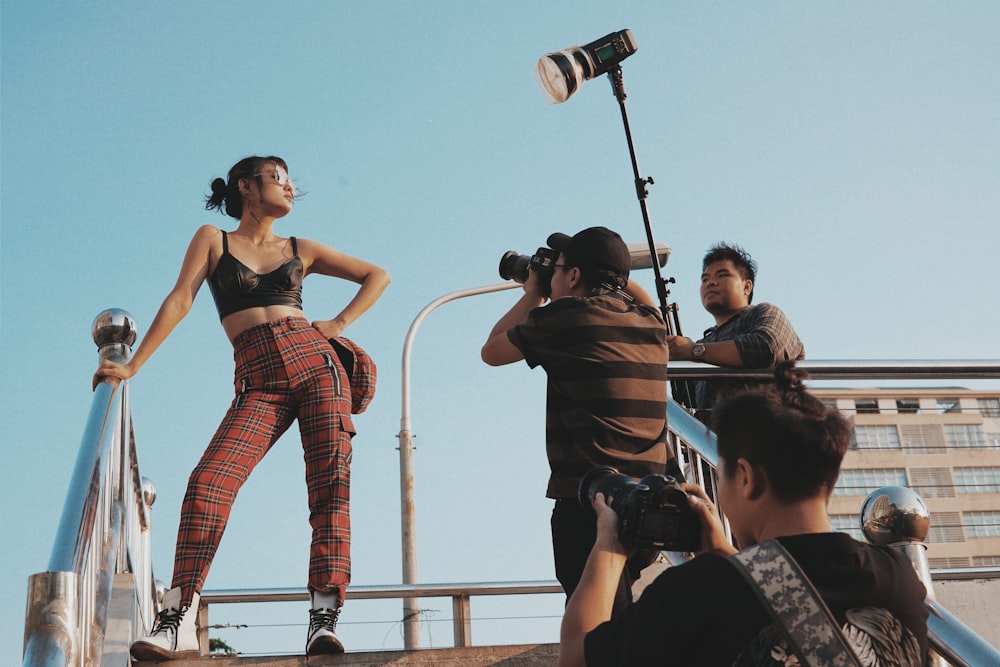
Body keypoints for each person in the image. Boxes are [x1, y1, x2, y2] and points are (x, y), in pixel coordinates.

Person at [93, 155, 390, 660]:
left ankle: (323, 617)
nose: (290, 186)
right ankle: (178, 616)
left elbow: (377, 275)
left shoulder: (301, 248)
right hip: (258, 378)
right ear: (246, 187)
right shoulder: (215, 239)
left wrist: (336, 326)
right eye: (278, 177)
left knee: (329, 487)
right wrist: (134, 366)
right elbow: (180, 299)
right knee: (208, 482)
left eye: (290, 179)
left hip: (316, 364)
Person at [559, 362, 929, 667]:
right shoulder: (899, 579)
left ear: (747, 478)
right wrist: (728, 558)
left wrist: (609, 545)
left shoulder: (696, 590)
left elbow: (576, 657)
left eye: (723, 477)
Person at [481, 226, 676, 616]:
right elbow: (643, 298)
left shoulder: (567, 317)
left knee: (595, 625)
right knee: (618, 615)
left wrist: (535, 291)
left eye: (562, 270)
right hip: (649, 501)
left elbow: (493, 350)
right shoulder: (652, 324)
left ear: (573, 276)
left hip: (589, 501)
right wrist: (595, 266)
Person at [667, 242, 804, 420]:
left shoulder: (763, 312)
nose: (710, 283)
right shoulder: (706, 341)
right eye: (705, 279)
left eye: (722, 275)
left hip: (768, 435)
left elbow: (768, 347)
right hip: (717, 443)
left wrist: (694, 351)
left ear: (747, 286)